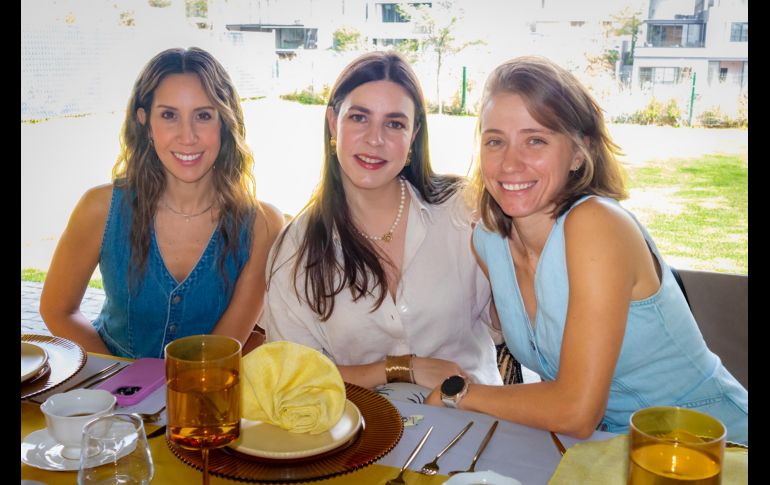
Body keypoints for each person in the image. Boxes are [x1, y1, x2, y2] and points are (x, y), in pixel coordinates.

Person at [425, 56, 748, 444]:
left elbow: (575, 410)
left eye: (536, 140)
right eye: (495, 141)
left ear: (579, 153)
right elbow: (555, 385)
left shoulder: (597, 225)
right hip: (609, 449)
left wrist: (461, 395)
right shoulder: (488, 242)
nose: (510, 163)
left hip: (714, 448)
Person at [263, 51, 502, 395]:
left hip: (473, 419)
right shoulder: (296, 250)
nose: (375, 139)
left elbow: (507, 321)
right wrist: (403, 369)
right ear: (334, 123)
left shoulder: (463, 211)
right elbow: (294, 376)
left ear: (413, 135)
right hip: (364, 432)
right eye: (359, 118)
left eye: (394, 123)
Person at [40, 47, 284, 359]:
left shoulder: (263, 225)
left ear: (225, 122)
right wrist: (121, 381)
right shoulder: (99, 209)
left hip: (205, 387)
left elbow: (225, 346)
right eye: (169, 115)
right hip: (109, 387)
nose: (188, 136)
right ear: (145, 123)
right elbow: (58, 310)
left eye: (204, 116)